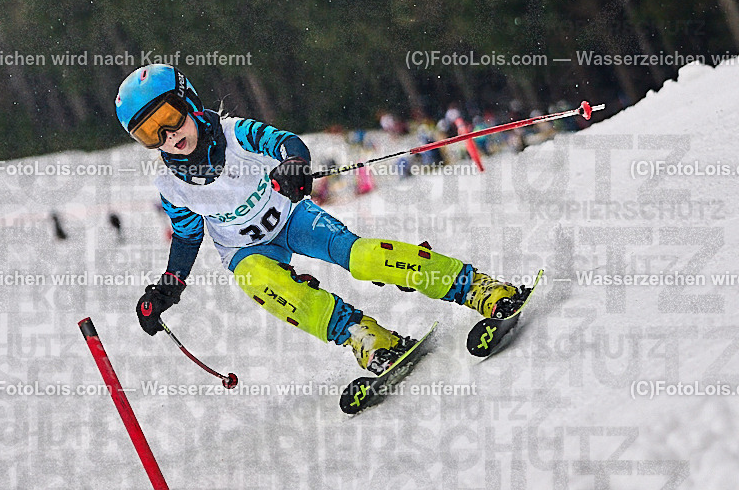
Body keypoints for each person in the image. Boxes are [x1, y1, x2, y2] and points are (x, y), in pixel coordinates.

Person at [115, 64, 525, 376]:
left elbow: (285, 142)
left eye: (169, 118)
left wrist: (294, 164)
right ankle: (364, 337)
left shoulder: (234, 133)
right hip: (244, 249)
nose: (168, 137)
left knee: (363, 258)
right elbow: (187, 237)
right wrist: (170, 285)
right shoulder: (171, 183)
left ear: (189, 102)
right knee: (260, 282)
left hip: (292, 216)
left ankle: (477, 287)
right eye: (149, 134)